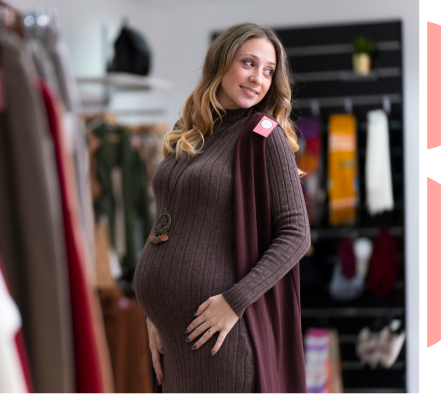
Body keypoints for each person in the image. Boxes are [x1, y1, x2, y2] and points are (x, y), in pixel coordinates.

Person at [132, 23, 310, 393]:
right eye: (248, 63)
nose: (258, 78)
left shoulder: (263, 134)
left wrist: (234, 301)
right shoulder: (191, 130)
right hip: (175, 337)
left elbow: (296, 234)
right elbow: (170, 224)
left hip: (220, 337)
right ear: (221, 62)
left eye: (268, 71)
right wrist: (155, 314)